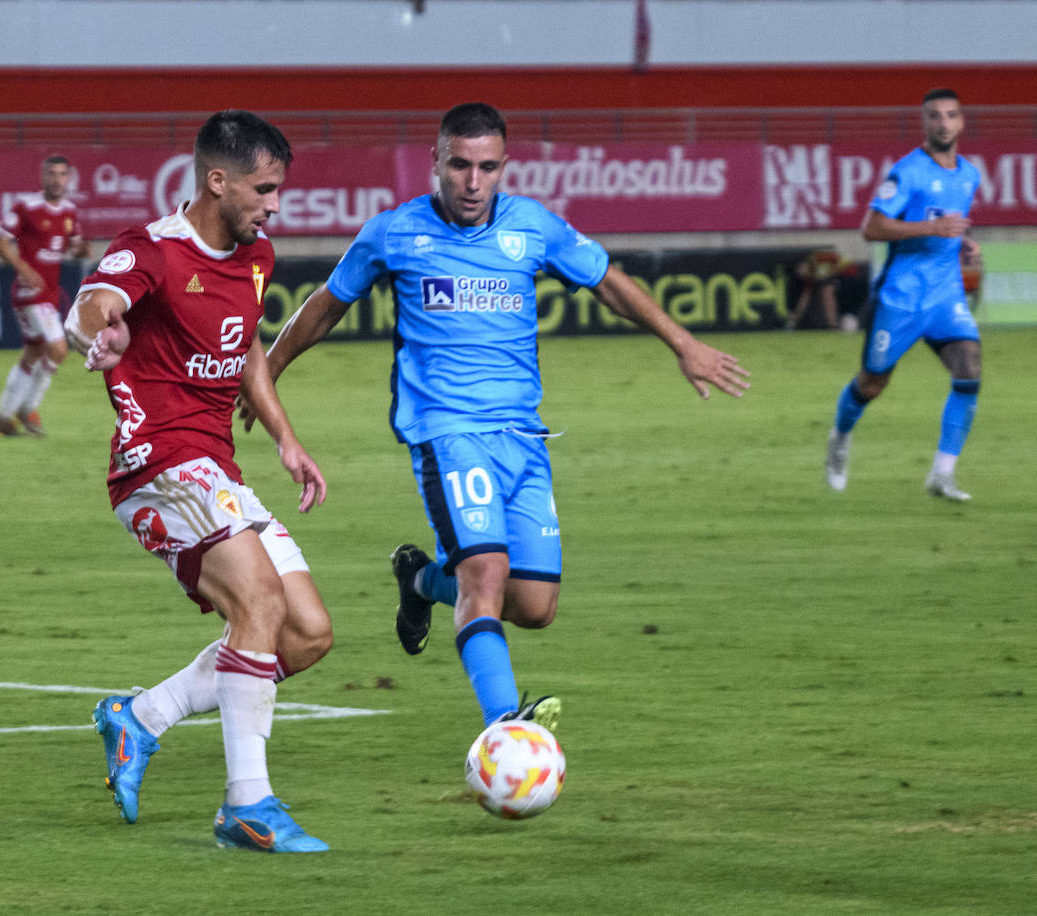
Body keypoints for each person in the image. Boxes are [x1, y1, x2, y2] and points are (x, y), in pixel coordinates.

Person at [251, 102, 748, 736]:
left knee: (535, 606)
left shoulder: (532, 227)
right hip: (447, 434)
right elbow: (325, 307)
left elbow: (609, 283)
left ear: (505, 166)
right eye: (459, 165)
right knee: (484, 578)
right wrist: (267, 370)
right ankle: (506, 730)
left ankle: (423, 579)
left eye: (487, 167)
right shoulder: (394, 233)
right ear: (437, 161)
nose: (472, 181)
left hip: (523, 438)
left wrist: (684, 343)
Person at [65, 110, 333, 853]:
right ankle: (248, 806)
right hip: (155, 467)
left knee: (307, 636)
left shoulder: (257, 256)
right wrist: (102, 334)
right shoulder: (150, 249)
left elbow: (243, 345)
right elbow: (89, 309)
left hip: (216, 468)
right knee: (259, 598)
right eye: (264, 188)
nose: (275, 204)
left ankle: (142, 717)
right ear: (218, 181)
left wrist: (286, 439)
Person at [824, 88, 982, 501]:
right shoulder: (906, 172)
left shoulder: (969, 174)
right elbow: (872, 228)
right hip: (902, 299)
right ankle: (840, 436)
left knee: (969, 370)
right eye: (935, 116)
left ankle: (942, 474)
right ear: (925, 123)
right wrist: (932, 230)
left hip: (946, 296)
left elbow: (953, 220)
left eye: (951, 115)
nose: (943, 123)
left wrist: (964, 240)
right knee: (873, 383)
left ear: (962, 122)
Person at [0, 155, 92, 436]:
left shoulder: (70, 211)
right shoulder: (27, 207)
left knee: (34, 353)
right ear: (43, 177)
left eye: (62, 175)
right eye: (51, 174)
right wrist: (23, 268)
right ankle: (27, 408)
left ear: (68, 178)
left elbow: (72, 246)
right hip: (30, 292)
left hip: (49, 292)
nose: (57, 180)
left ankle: (3, 417)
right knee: (58, 349)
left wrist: (81, 250)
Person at [785, 248, 841, 330]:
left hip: (829, 279)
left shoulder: (825, 271)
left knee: (827, 291)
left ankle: (833, 326)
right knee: (807, 292)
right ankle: (792, 323)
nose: (803, 273)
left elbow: (829, 287)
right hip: (809, 284)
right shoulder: (800, 278)